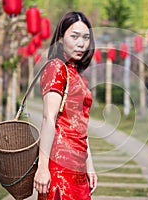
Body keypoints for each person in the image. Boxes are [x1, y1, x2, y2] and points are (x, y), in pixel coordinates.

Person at [34, 11, 97, 200]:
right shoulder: (56, 67)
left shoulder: (79, 76)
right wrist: (43, 167)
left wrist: (90, 166)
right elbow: (49, 118)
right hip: (59, 164)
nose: (81, 43)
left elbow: (80, 126)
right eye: (74, 36)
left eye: (86, 38)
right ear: (61, 39)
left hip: (78, 164)